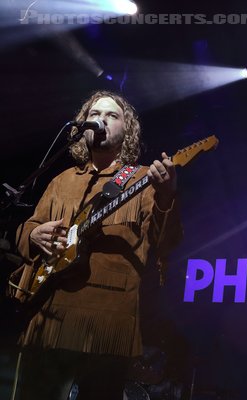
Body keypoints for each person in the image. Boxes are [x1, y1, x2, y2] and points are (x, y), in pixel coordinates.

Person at [11, 90, 183, 400]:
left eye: (111, 115)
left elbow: (165, 243)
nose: (100, 120)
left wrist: (166, 195)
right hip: (50, 316)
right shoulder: (61, 180)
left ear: (126, 130)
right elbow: (31, 229)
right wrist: (32, 235)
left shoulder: (142, 179)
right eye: (94, 115)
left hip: (107, 325)